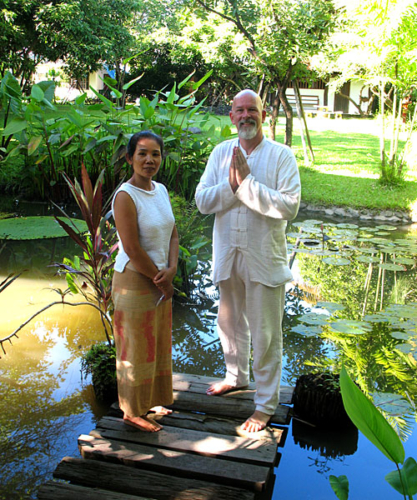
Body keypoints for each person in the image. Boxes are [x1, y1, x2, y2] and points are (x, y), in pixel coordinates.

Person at [195, 90, 301, 432]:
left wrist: (247, 184)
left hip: (264, 257)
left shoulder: (282, 156)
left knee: (266, 333)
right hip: (228, 253)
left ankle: (266, 403)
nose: (245, 116)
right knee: (229, 323)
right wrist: (231, 185)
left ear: (264, 114)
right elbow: (202, 201)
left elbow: (289, 207)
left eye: (251, 109)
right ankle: (235, 376)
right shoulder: (220, 152)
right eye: (239, 110)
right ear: (231, 116)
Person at [112, 130, 179, 432]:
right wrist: (160, 279)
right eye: (142, 153)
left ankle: (150, 400)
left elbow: (173, 234)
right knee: (134, 348)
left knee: (157, 343)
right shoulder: (125, 196)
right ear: (130, 158)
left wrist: (173, 268)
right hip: (135, 280)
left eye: (155, 154)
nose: (149, 160)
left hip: (160, 277)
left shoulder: (161, 190)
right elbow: (131, 248)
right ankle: (131, 411)